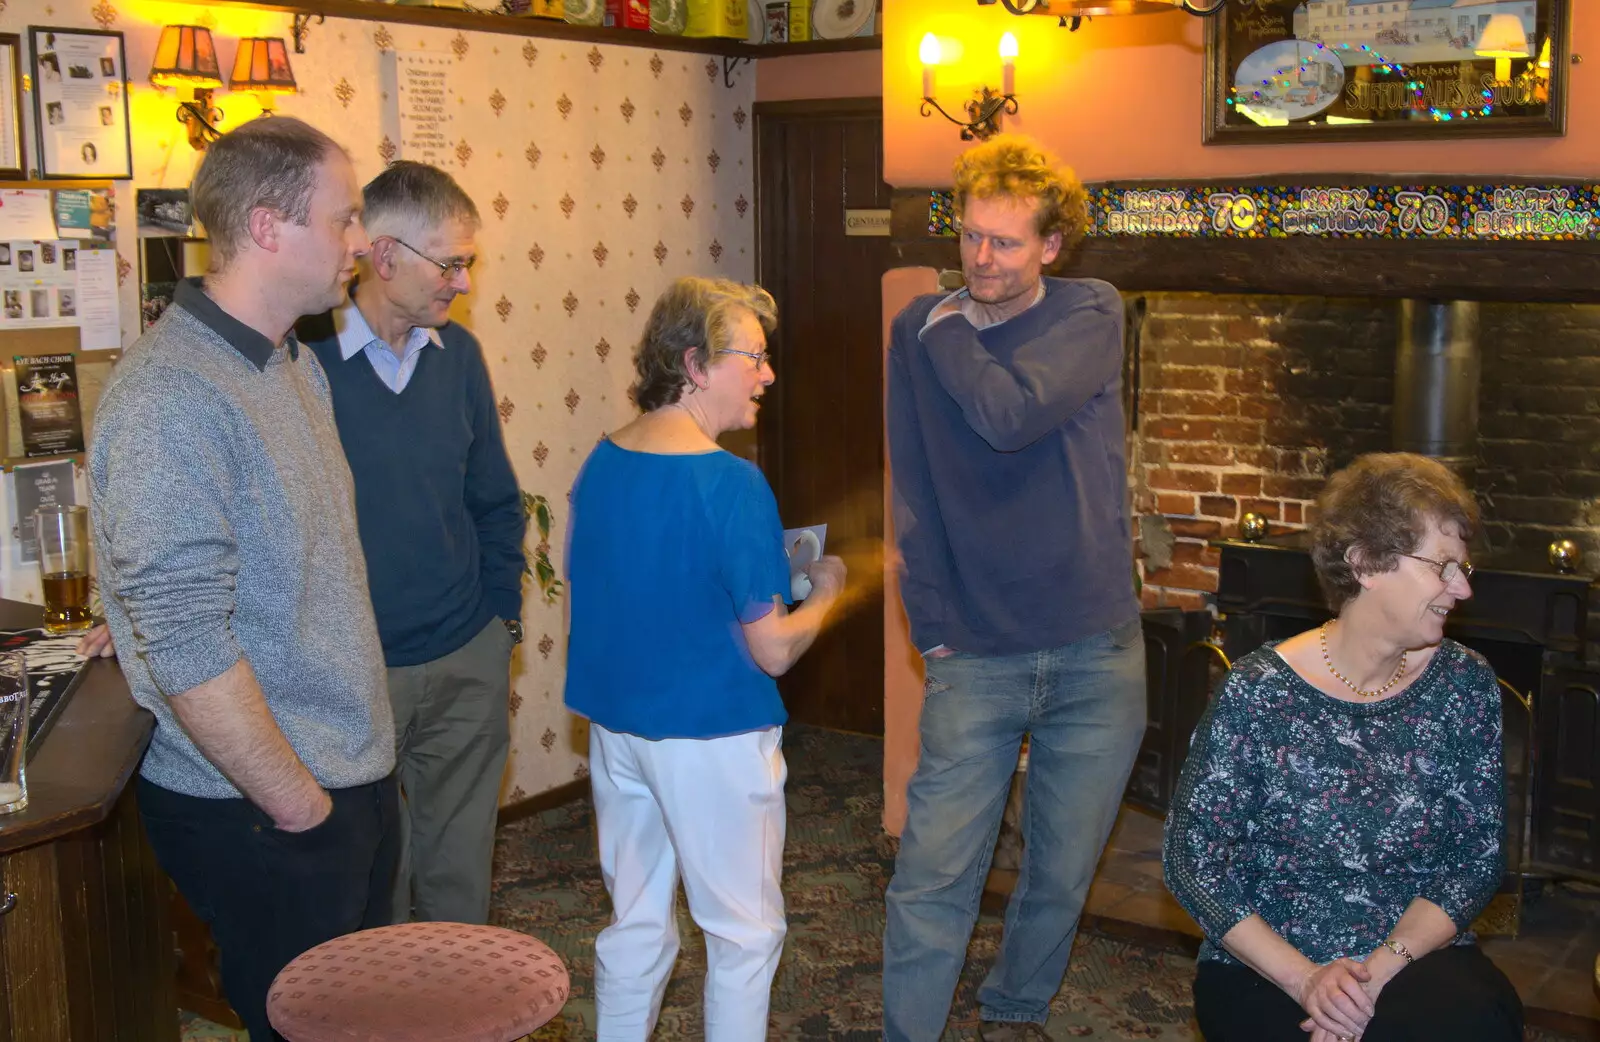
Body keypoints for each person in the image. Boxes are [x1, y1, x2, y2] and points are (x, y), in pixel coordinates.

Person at [86, 116, 395, 1042]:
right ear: (268, 227)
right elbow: (186, 642)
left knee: (365, 1021)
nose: (359, 245)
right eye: (343, 221)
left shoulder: (294, 361)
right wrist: (301, 805)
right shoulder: (170, 394)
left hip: (343, 771)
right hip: (264, 803)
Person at [881, 134, 1146, 1042]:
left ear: (1050, 246)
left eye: (1005, 241)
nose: (982, 259)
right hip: (976, 653)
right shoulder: (913, 333)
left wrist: (945, 323)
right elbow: (911, 477)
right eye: (970, 238)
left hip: (1095, 646)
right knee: (933, 876)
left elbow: (1008, 415)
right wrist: (933, 625)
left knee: (1061, 872)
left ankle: (1014, 1013)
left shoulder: (1091, 310)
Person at [564, 276, 847, 1042]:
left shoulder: (603, 460)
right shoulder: (731, 484)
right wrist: (825, 592)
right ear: (694, 364)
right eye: (752, 358)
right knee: (744, 936)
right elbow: (773, 649)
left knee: (635, 925)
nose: (767, 375)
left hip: (619, 734)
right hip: (712, 739)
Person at [1163, 452, 1522, 1042]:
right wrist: (1306, 981)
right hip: (1270, 961)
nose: (1462, 589)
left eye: (1465, 568)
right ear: (1365, 563)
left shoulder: (1464, 684)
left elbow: (1474, 859)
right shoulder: (1258, 691)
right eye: (1443, 567)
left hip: (1413, 954)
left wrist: (1376, 971)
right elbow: (1192, 861)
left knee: (1476, 1023)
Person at [299, 161, 524, 925]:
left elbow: (493, 500)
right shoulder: (300, 364)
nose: (462, 283)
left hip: (466, 655)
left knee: (461, 882)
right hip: (359, 672)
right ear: (383, 255)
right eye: (451, 262)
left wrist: (503, 623)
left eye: (469, 263)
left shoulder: (457, 356)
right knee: (373, 891)